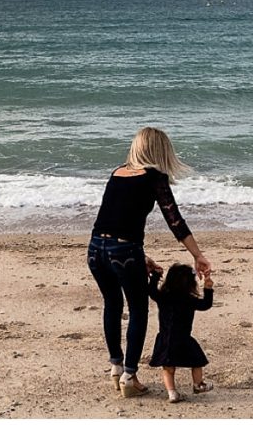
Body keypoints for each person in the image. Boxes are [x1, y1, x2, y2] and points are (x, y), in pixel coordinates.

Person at [87, 127, 212, 398]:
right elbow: (174, 220)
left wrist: (140, 256)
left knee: (112, 304)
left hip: (96, 248)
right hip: (124, 251)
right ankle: (130, 377)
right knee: (138, 311)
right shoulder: (154, 177)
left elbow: (113, 217)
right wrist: (197, 255)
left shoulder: (117, 172)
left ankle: (116, 368)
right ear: (159, 150)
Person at [147, 263, 215, 404]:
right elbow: (205, 305)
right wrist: (208, 288)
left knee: (168, 368)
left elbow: (151, 291)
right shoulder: (189, 299)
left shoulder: (163, 297)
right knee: (197, 361)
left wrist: (155, 275)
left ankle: (172, 392)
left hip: (165, 339)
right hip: (184, 339)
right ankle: (198, 384)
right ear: (190, 284)